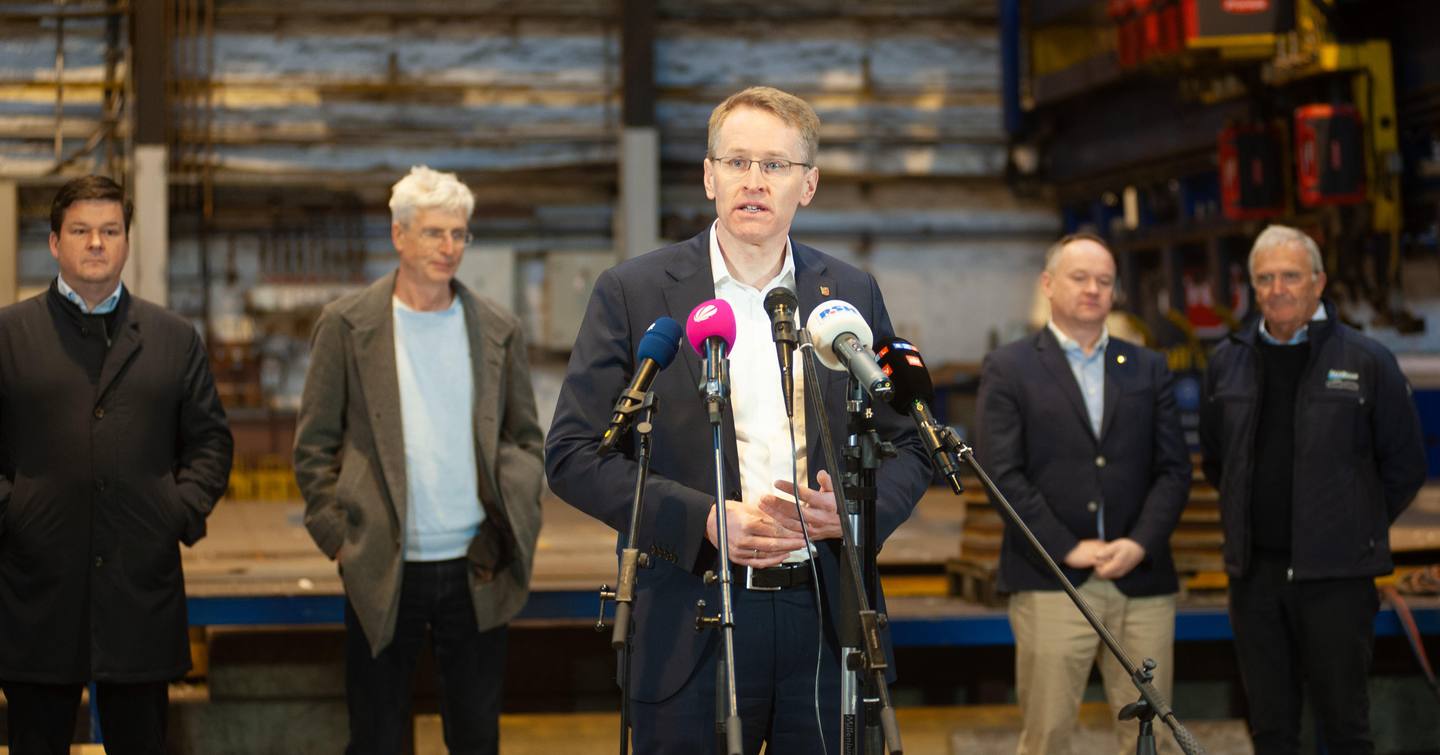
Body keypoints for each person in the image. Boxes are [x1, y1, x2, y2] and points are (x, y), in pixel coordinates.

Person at [545, 86, 931, 753]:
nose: (753, 180)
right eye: (736, 162)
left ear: (807, 185)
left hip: (826, 612)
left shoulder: (853, 294)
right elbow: (574, 453)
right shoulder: (633, 292)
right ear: (708, 176)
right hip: (691, 616)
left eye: (775, 165)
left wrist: (858, 515)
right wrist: (700, 516)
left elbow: (913, 442)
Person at [293, 166, 545, 755]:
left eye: (459, 234)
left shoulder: (496, 329)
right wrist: (340, 539)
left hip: (475, 563)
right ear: (399, 235)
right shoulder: (347, 326)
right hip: (383, 563)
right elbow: (313, 447)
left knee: (477, 734)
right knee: (378, 735)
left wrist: (513, 521)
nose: (449, 247)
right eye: (434, 233)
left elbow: (526, 440)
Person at [0, 175, 234, 754]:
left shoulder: (173, 339)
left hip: (138, 586)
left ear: (127, 242)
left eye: (110, 230)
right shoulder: (9, 336)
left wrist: (175, 512)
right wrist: (13, 514)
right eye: (81, 230)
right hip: (35, 588)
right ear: (54, 243)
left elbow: (210, 441)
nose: (96, 243)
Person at [1200, 224, 1426, 755]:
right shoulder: (1227, 362)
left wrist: (1352, 525)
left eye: (1290, 276)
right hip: (1255, 580)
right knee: (1272, 731)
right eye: (1265, 279)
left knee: (1345, 728)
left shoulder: (1366, 361)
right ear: (1252, 288)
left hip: (1338, 581)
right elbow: (1218, 462)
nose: (1277, 289)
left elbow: (1406, 464)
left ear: (1319, 283)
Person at [975, 233, 1191, 755]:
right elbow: (1001, 473)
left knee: (1151, 735)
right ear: (1048, 284)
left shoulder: (1148, 367)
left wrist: (1139, 543)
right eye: (1080, 277)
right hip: (1053, 581)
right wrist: (1066, 546)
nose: (1093, 289)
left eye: (1104, 280)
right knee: (1048, 735)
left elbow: (1174, 470)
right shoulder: (1011, 368)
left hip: (1140, 581)